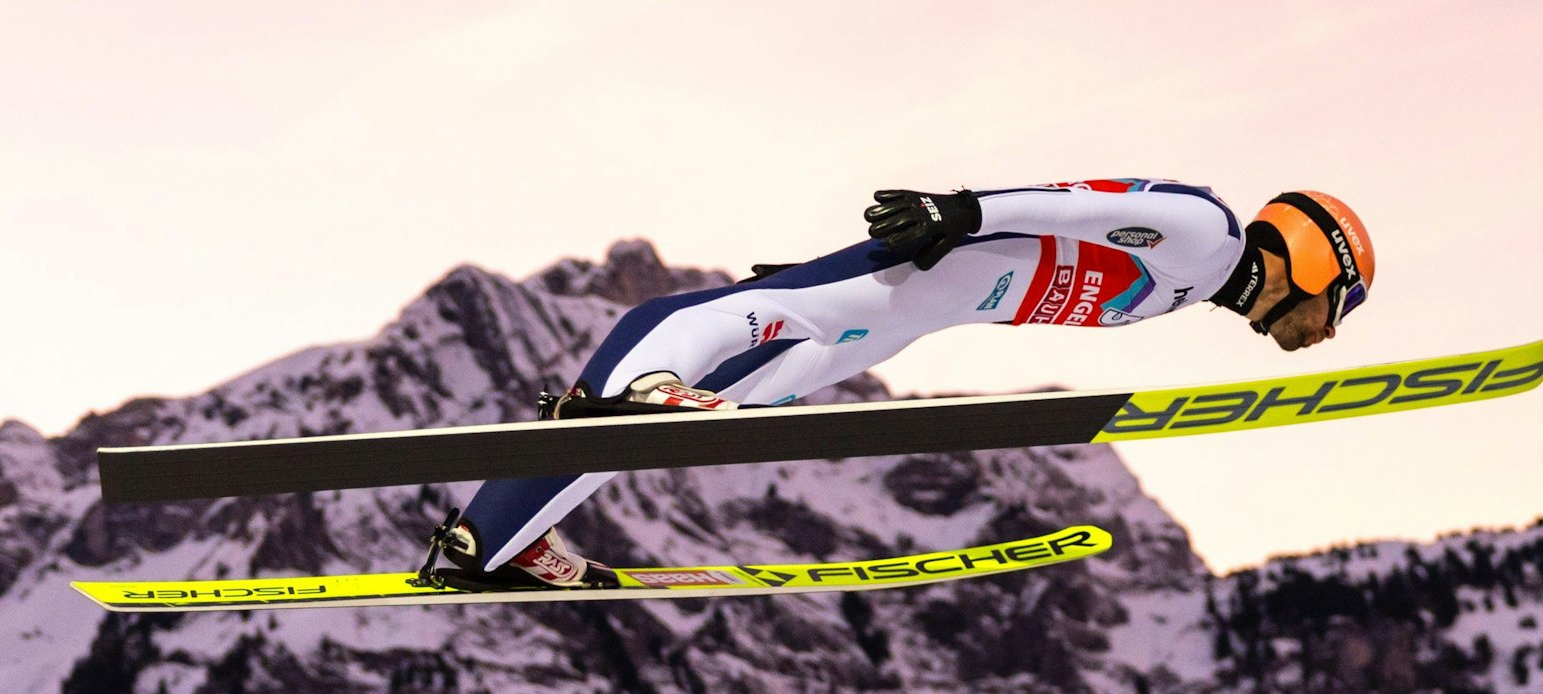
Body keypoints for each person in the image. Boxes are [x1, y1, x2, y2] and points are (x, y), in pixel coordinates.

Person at [435, 179, 1376, 588]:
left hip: (915, 315)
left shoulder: (1192, 286)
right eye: (1337, 304)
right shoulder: (1205, 231)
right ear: (1310, 259)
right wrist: (959, 211)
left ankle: (501, 537)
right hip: (919, 270)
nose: (1324, 332)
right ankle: (632, 392)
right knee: (741, 322)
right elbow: (1089, 202)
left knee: (725, 411)